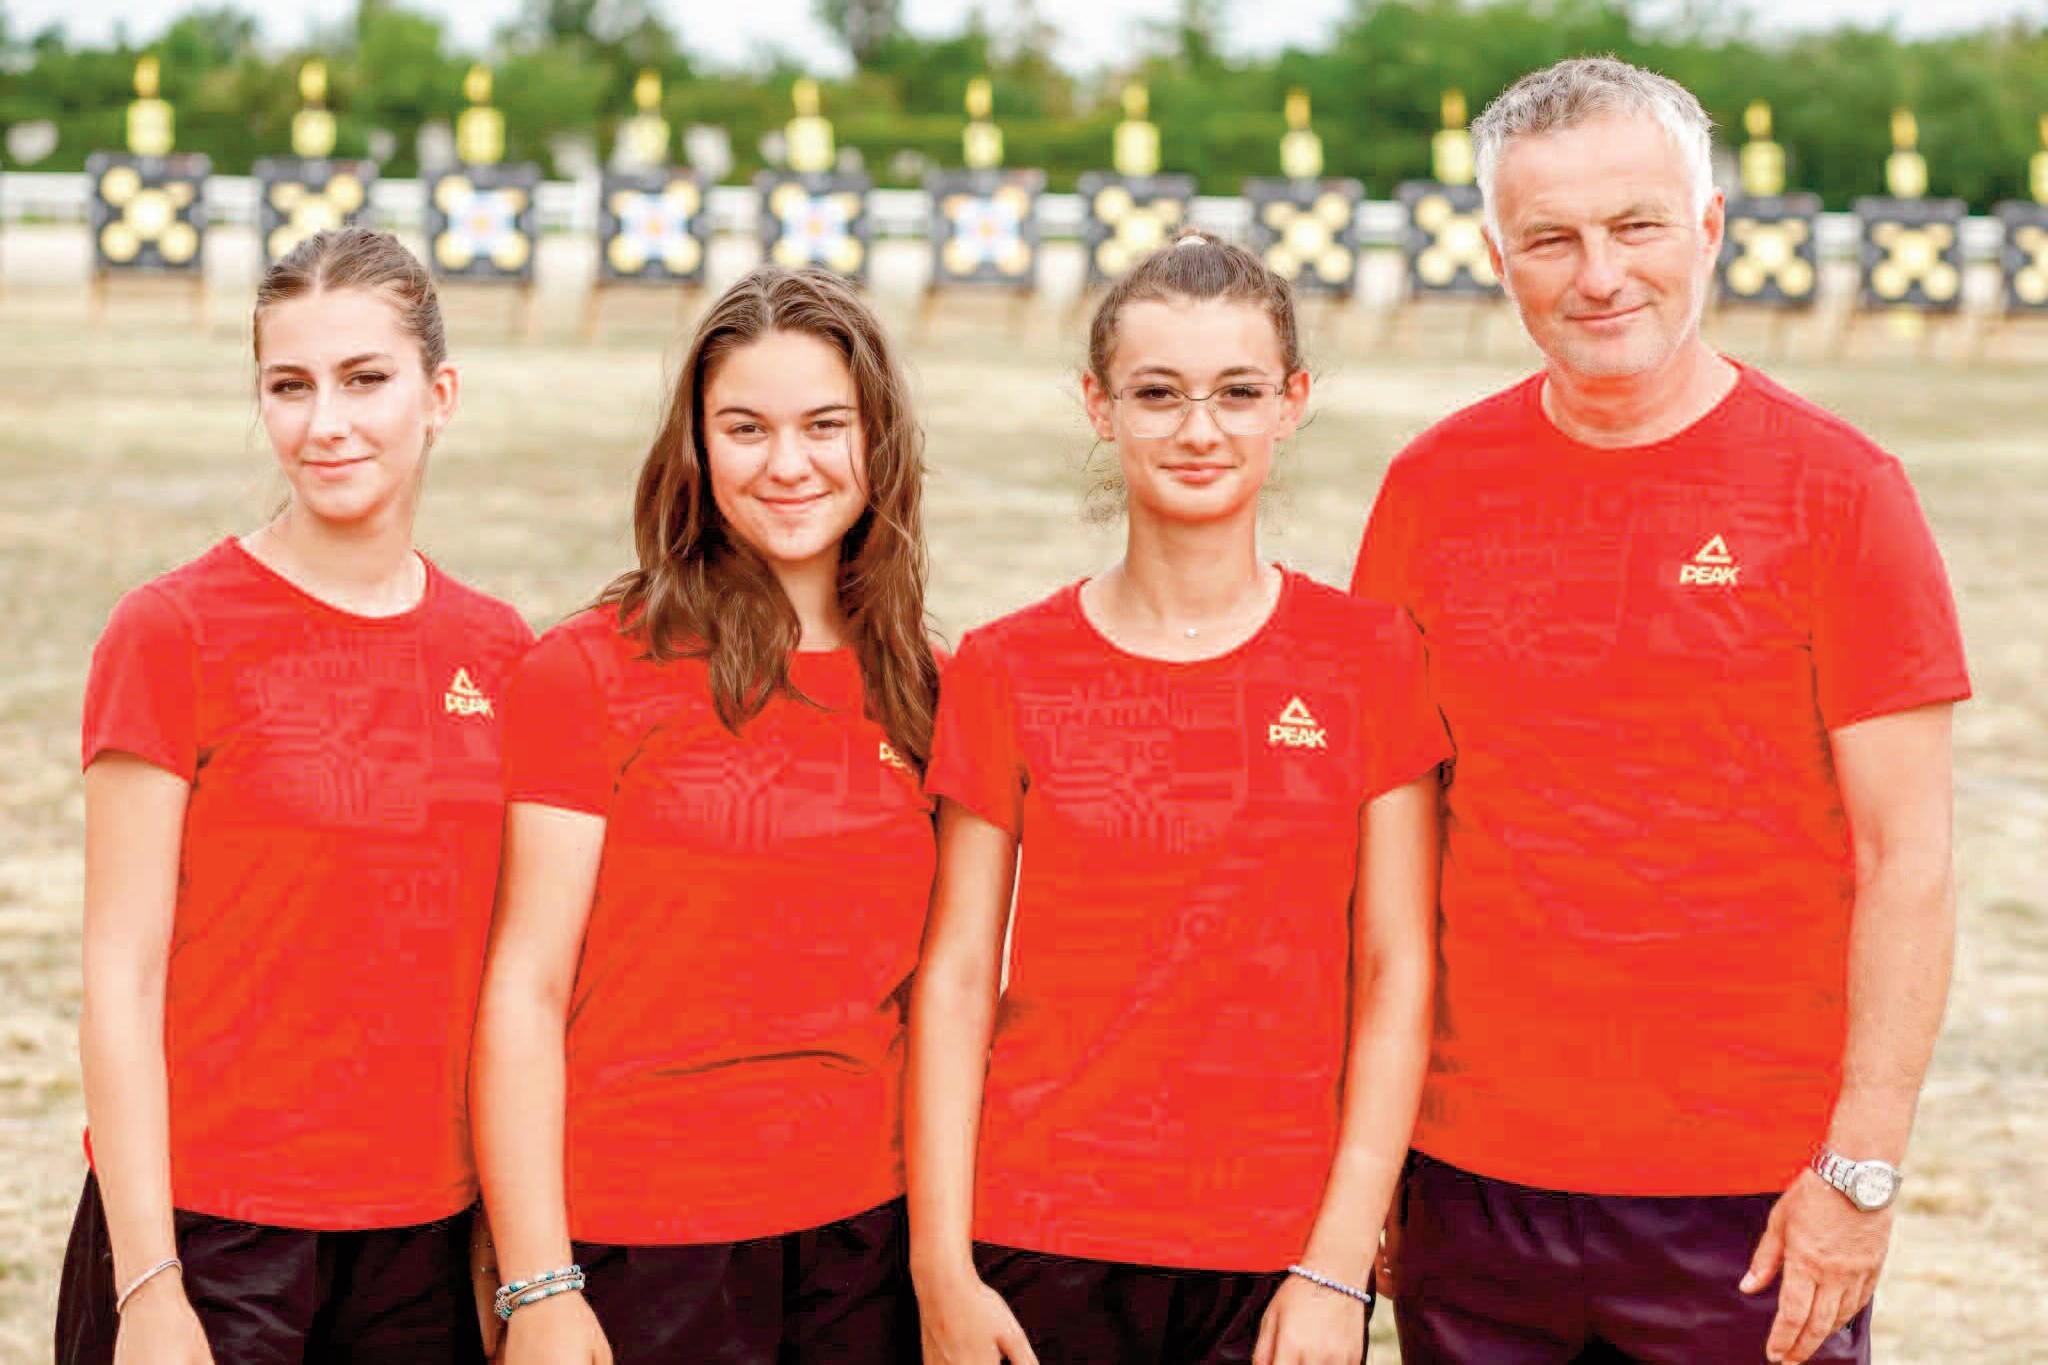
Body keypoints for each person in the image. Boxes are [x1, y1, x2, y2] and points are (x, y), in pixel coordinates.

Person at [1353, 57, 1971, 1365]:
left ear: (1708, 227)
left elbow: (1907, 858)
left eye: (1635, 225)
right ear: (1495, 257)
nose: (1599, 275)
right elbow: (1384, 844)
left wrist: (1860, 1170)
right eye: (1549, 239)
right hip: (1469, 1178)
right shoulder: (1429, 489)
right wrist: (1368, 1150)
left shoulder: (1842, 492)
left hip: (1748, 1198)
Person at [909, 231, 1447, 1365]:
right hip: (1038, 1235)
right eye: (1157, 393)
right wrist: (941, 1265)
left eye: (1236, 392)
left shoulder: (1369, 657)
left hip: (1275, 1257)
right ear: (1098, 405)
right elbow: (954, 980)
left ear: (1290, 402)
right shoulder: (1006, 667)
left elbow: (1395, 971)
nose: (1199, 430)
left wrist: (1334, 1266)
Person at [56, 226, 532, 1364]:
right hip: (209, 1235)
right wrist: (149, 1282)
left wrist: (506, 1253)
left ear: (439, 395)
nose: (327, 423)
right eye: (290, 386)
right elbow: (119, 974)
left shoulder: (501, 650)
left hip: (424, 1243)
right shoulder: (170, 631)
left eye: (365, 379)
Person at [473, 265, 939, 1365]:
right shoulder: (587, 672)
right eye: (745, 428)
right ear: (695, 447)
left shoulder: (930, 687)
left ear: (877, 441)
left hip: (866, 1245)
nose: (787, 463)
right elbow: (524, 990)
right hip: (644, 1243)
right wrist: (539, 1283)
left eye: (824, 424)